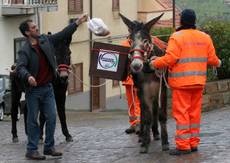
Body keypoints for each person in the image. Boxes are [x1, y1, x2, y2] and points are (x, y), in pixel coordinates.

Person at [149, 9, 221, 155]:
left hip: (182, 84)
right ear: (194, 21)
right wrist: (219, 62)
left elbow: (170, 59)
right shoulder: (205, 37)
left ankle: (183, 146)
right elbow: (212, 59)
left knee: (182, 114)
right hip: (198, 82)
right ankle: (193, 143)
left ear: (181, 21)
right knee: (194, 114)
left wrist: (155, 63)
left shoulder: (177, 37)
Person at [16, 13, 88, 160]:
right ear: (27, 32)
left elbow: (62, 34)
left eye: (36, 26)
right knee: (33, 120)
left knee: (52, 117)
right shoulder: (25, 50)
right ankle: (31, 149)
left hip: (47, 88)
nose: (37, 28)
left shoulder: (45, 40)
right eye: (34, 27)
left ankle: (49, 147)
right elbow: (20, 67)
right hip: (33, 91)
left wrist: (77, 22)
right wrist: (28, 76)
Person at [121, 23, 167, 134]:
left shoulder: (150, 41)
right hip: (128, 79)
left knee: (140, 102)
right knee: (131, 103)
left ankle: (141, 123)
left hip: (142, 78)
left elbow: (164, 49)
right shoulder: (125, 43)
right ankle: (133, 124)